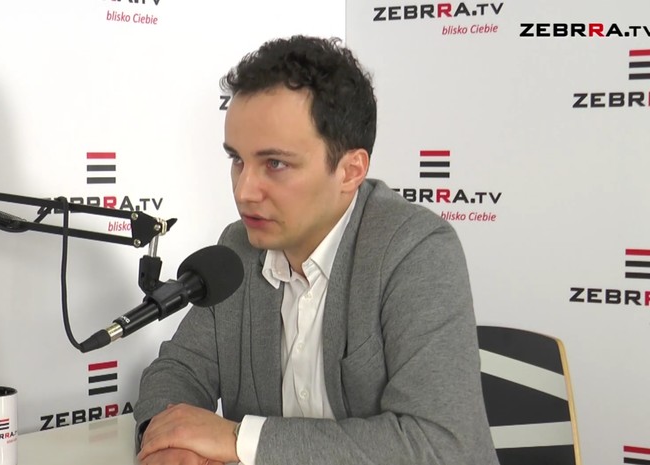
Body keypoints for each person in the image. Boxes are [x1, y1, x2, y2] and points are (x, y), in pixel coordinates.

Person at [133, 35, 499, 465]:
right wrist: (170, 443)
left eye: (275, 164)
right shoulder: (238, 248)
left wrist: (237, 439)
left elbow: (440, 447)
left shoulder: (416, 250)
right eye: (237, 160)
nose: (244, 191)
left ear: (350, 170)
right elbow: (177, 371)